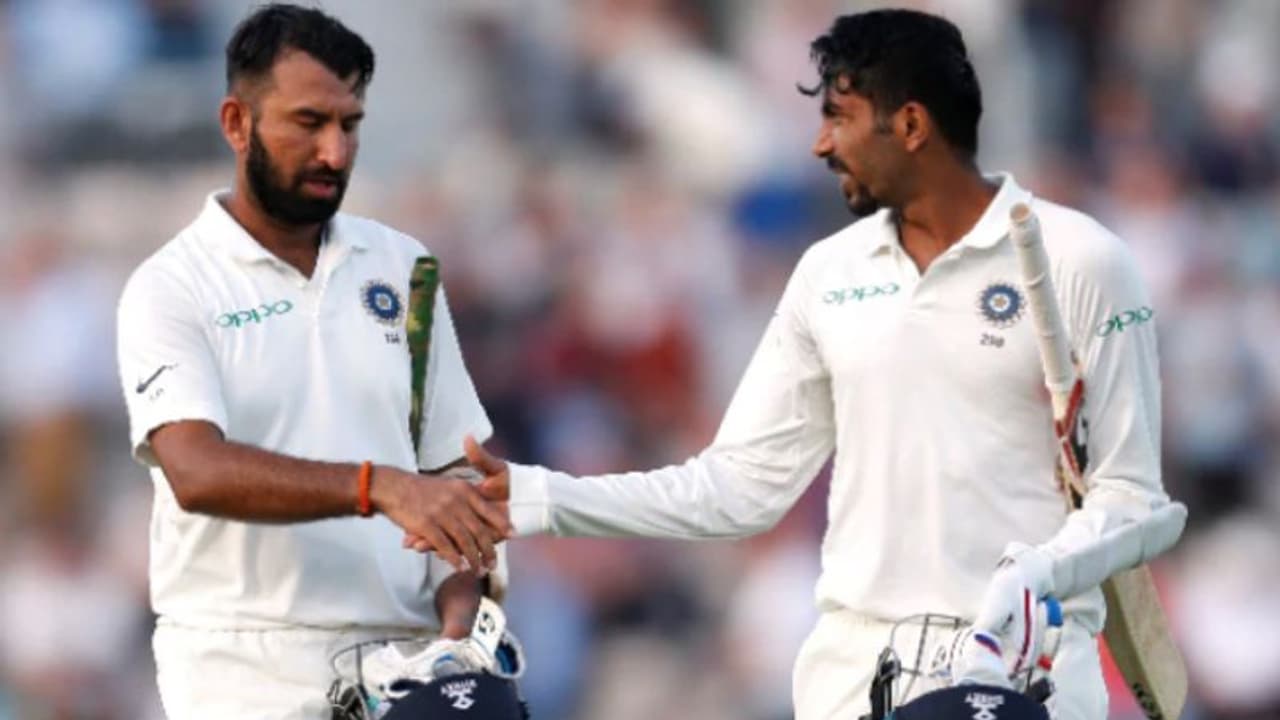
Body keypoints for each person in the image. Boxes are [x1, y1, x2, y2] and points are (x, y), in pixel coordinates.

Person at [437, 9, 1178, 720]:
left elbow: (1135, 501)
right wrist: (540, 497)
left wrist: (1044, 571)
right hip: (856, 674)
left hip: (1021, 668)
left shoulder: (1083, 260)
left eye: (839, 119)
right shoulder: (829, 272)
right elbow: (738, 489)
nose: (820, 144)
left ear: (911, 126)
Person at [115, 5, 511, 718]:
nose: (334, 152)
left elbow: (451, 478)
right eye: (308, 123)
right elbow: (195, 471)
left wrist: (458, 631)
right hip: (241, 671)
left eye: (349, 125)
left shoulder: (405, 267)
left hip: (401, 662)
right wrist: (377, 486)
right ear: (237, 123)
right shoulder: (172, 286)